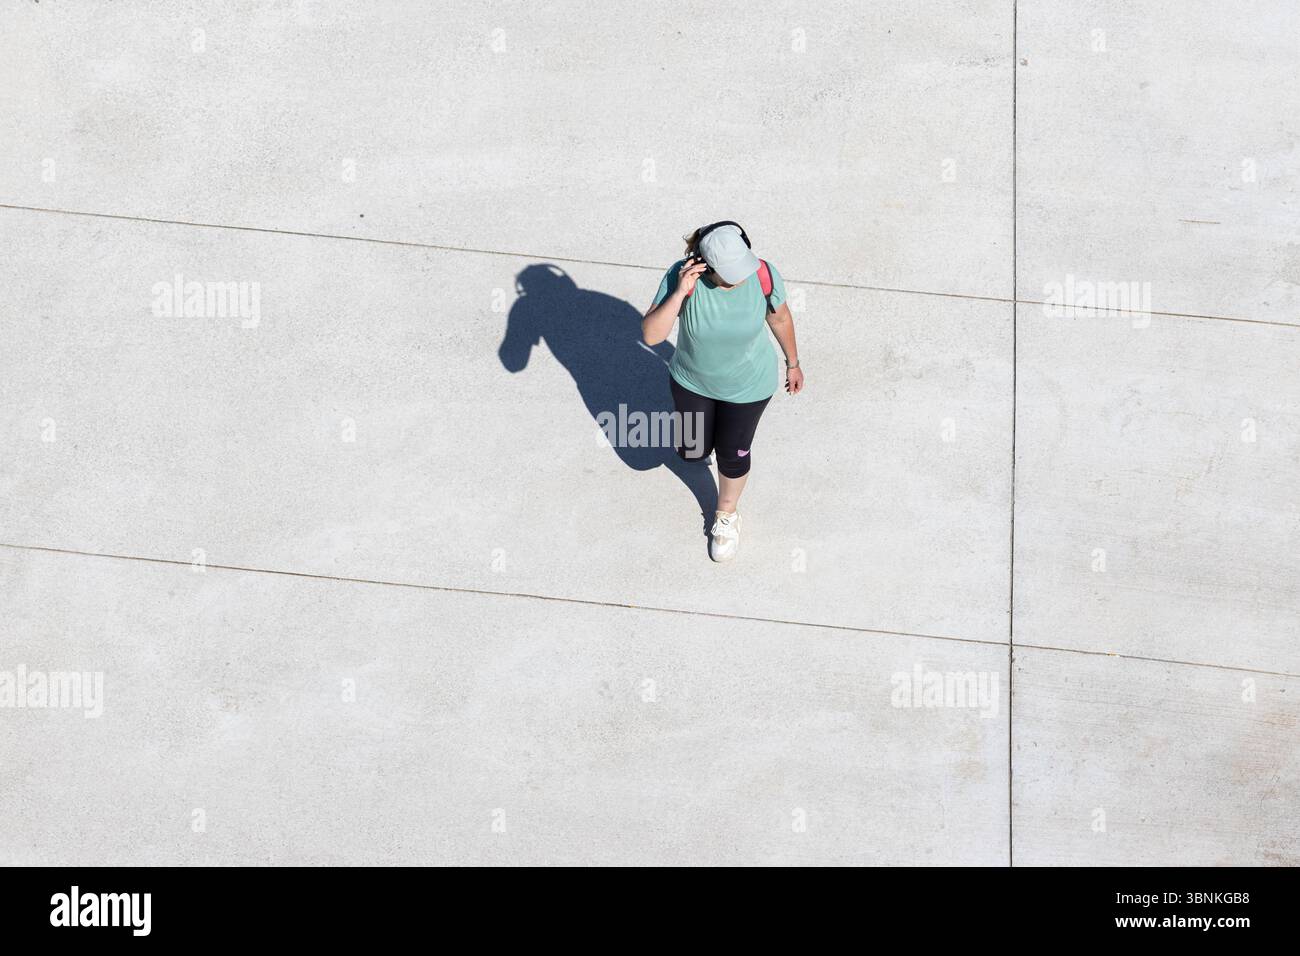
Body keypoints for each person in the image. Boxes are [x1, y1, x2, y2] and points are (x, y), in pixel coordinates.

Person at [641, 221, 803, 562]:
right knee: (691, 451)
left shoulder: (762, 275)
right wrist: (679, 293)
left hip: (748, 386)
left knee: (732, 452)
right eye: (731, 271)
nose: (742, 275)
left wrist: (793, 362)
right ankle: (704, 443)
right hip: (692, 381)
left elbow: (780, 319)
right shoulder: (682, 277)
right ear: (706, 265)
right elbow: (652, 337)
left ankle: (725, 514)